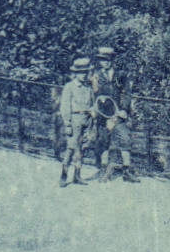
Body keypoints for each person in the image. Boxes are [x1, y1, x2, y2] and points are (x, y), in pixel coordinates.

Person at [94, 46, 139, 182]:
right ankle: (103, 171)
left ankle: (126, 172)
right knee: (104, 142)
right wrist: (99, 100)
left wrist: (124, 110)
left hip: (119, 115)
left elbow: (126, 93)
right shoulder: (96, 76)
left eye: (108, 60)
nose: (105, 62)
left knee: (125, 140)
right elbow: (94, 94)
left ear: (112, 60)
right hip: (104, 116)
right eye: (102, 60)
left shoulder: (121, 75)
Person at [59, 57, 97, 186]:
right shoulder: (69, 87)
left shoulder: (88, 88)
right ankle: (64, 176)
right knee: (71, 148)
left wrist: (92, 113)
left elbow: (92, 104)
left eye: (86, 72)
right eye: (81, 72)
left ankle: (77, 175)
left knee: (82, 148)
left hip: (87, 120)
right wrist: (67, 124)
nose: (84, 75)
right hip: (75, 120)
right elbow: (65, 107)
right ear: (75, 73)